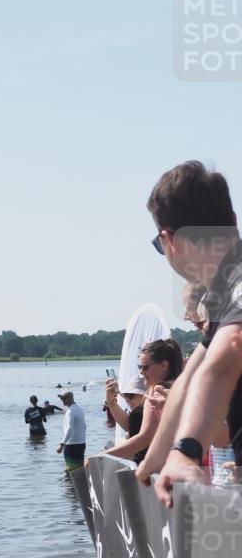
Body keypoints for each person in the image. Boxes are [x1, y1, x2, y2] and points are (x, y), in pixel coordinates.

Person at [132, 161, 242, 507]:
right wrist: (153, 462)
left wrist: (187, 451)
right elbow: (190, 379)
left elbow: (228, 357)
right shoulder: (226, 289)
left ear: (169, 240)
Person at [104, 339, 183, 464]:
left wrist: (102, 456)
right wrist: (112, 403)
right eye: (139, 367)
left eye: (145, 367)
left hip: (154, 468)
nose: (141, 371)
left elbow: (144, 438)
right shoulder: (183, 386)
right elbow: (134, 428)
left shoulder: (157, 392)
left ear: (164, 365)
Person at [55, 391, 86, 471]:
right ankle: (80, 483)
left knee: (71, 471)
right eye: (61, 398)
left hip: (71, 445)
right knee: (79, 469)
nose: (62, 400)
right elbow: (84, 426)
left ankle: (70, 483)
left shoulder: (70, 411)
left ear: (71, 398)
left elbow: (69, 428)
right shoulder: (79, 409)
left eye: (64, 398)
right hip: (81, 444)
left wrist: (62, 444)